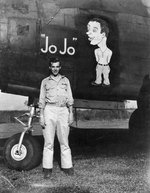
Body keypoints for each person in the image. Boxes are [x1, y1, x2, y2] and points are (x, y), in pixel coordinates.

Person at [38, 57, 74, 179]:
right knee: (48, 142)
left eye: (57, 66)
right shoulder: (45, 81)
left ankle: (67, 166)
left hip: (63, 110)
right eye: (53, 66)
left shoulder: (65, 80)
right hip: (49, 110)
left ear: (60, 67)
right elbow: (42, 99)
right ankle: (47, 168)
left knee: (64, 140)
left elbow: (70, 98)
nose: (55, 69)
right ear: (50, 67)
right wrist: (42, 116)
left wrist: (71, 114)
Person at [86, 18, 112, 86]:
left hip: (105, 66)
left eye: (94, 30)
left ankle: (106, 83)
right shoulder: (96, 50)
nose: (88, 33)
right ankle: (98, 81)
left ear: (103, 34)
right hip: (100, 65)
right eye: (88, 29)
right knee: (98, 75)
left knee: (106, 76)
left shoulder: (109, 51)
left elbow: (108, 60)